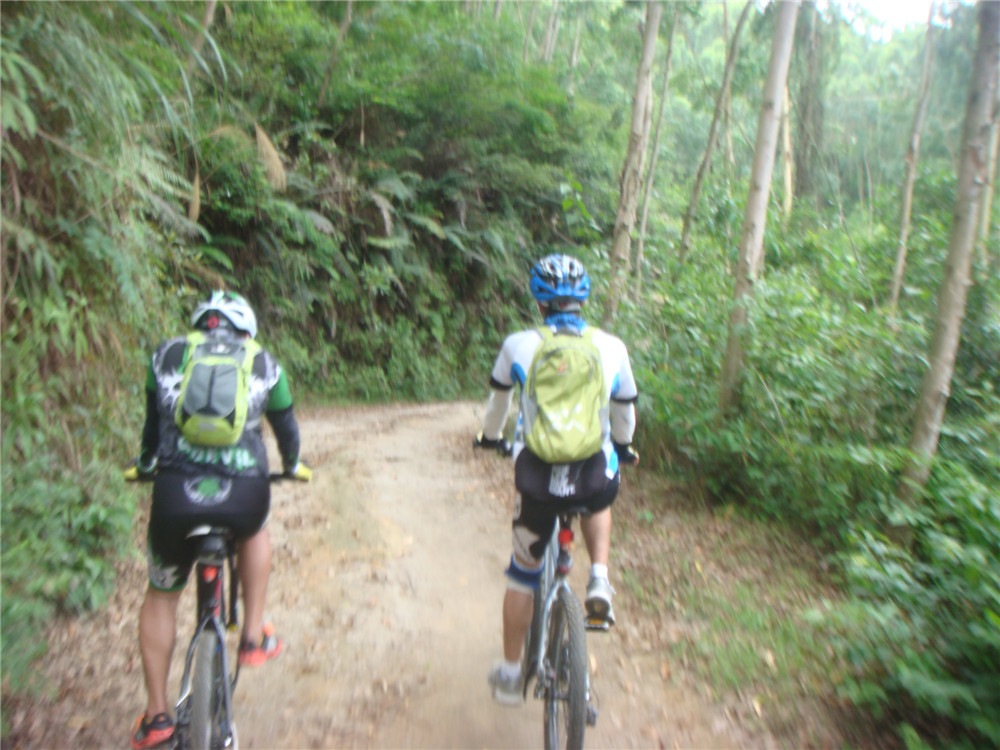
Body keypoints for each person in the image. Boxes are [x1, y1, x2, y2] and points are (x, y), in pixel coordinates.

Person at [124, 290, 312, 749]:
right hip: (243, 494)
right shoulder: (264, 361)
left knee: (161, 597)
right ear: (246, 328)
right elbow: (287, 432)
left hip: (175, 495)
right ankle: (253, 637)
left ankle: (157, 717)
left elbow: (151, 431)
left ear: (200, 323)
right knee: (256, 527)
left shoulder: (166, 354)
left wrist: (146, 465)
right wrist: (292, 466)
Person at [474, 254, 639, 706]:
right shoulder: (612, 347)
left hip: (538, 479)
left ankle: (511, 676)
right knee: (602, 488)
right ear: (583, 299)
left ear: (539, 302)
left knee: (521, 575)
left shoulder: (518, 345)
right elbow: (624, 410)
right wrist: (623, 447)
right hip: (590, 475)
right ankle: (599, 578)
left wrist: (491, 438)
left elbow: (498, 406)